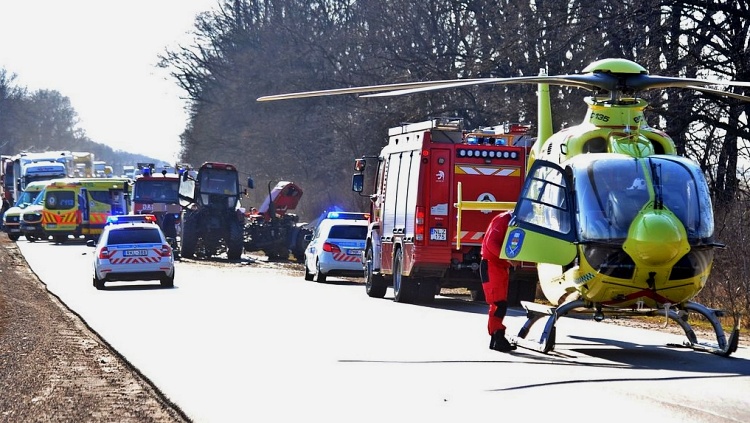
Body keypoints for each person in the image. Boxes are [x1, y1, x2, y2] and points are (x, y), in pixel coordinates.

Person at [480, 210, 516, 352]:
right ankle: (498, 337)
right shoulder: (503, 220)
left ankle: (496, 338)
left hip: (499, 267)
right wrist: (508, 257)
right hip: (491, 265)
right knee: (498, 304)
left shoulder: (508, 220)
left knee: (500, 304)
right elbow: (491, 243)